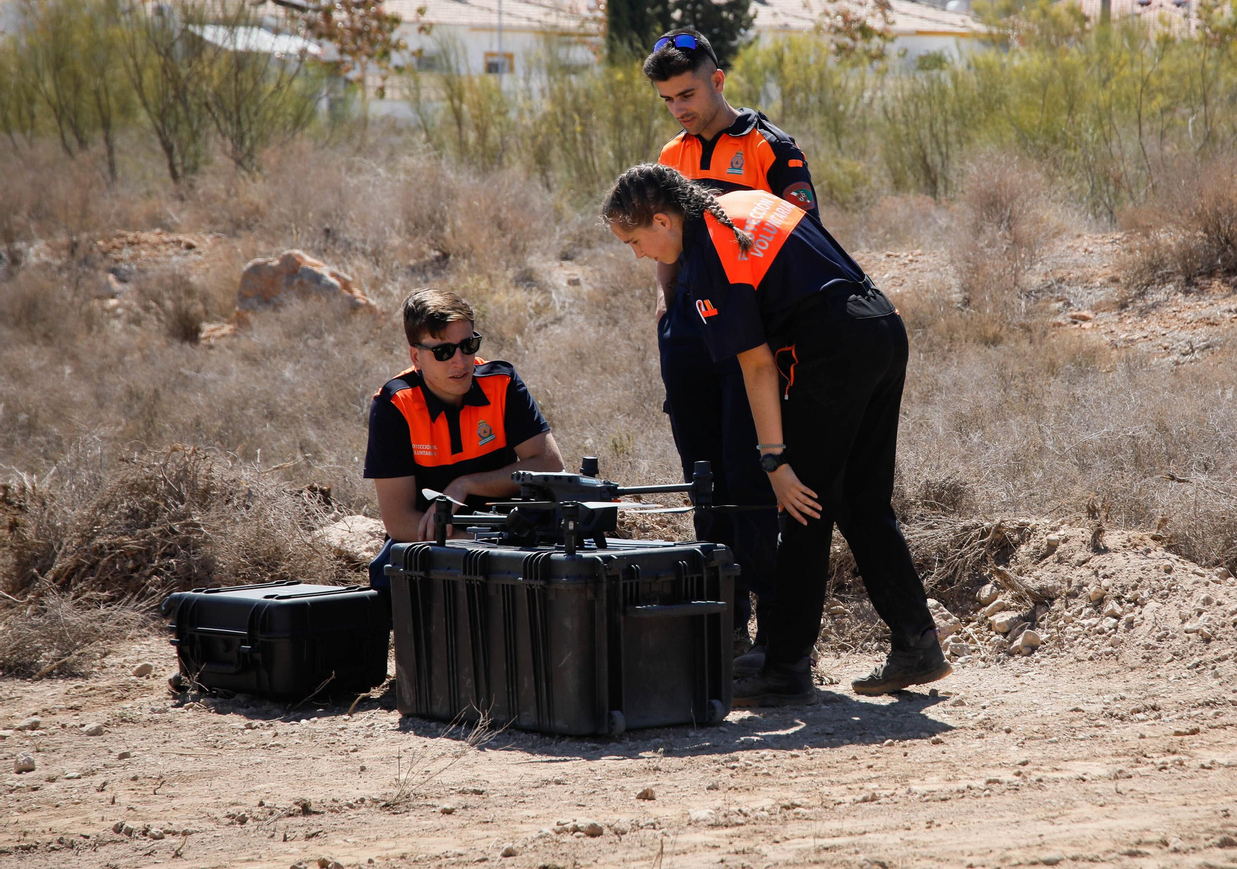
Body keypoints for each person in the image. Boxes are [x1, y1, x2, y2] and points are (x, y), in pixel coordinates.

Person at [603, 164, 950, 706]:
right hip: (881, 329)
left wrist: (775, 462)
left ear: (664, 221)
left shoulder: (713, 247)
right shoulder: (741, 205)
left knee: (801, 508)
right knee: (861, 501)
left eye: (634, 241)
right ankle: (917, 643)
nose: (639, 255)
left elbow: (758, 367)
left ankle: (785, 668)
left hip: (835, 353)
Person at [643, 28, 819, 674]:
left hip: (750, 335)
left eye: (687, 93)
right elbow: (663, 234)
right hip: (688, 332)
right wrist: (665, 301)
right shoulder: (671, 152)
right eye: (667, 99)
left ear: (718, 78)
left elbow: (802, 237)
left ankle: (779, 641)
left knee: (750, 483)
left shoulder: (771, 148)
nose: (679, 108)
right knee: (705, 480)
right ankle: (722, 628)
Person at [364, 289, 565, 587]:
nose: (460, 361)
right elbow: (398, 519)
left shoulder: (502, 382)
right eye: (443, 352)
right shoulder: (395, 405)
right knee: (386, 579)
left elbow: (550, 465)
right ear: (416, 357)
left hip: (512, 530)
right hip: (435, 540)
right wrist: (470, 542)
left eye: (468, 345)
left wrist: (466, 485)